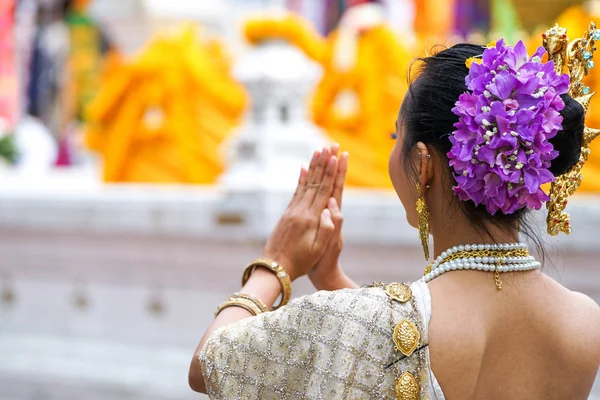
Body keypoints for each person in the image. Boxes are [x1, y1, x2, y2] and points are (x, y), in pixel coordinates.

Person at [188, 34, 600, 399]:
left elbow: (210, 364)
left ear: (423, 166)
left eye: (395, 137)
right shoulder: (583, 321)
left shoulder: (367, 319)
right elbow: (403, 343)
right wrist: (332, 280)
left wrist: (275, 263)